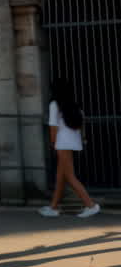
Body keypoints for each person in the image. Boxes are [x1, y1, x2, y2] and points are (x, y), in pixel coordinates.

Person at [39, 79, 100, 218]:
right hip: (72, 142)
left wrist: (53, 144)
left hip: (62, 143)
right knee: (61, 176)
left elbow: (53, 127)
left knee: (70, 177)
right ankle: (53, 207)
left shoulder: (55, 104)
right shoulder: (73, 104)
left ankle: (90, 205)